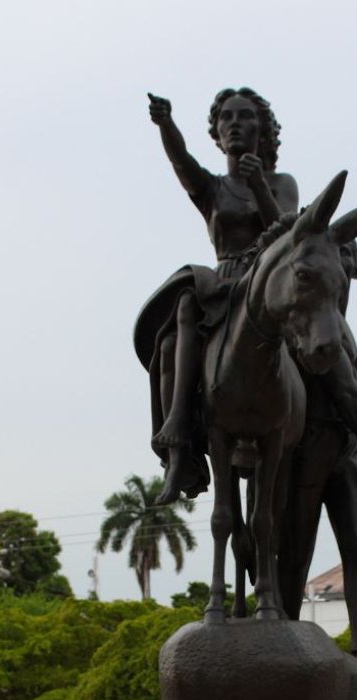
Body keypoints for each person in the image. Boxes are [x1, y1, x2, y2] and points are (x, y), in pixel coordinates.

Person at [139, 89, 299, 505]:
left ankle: (352, 439)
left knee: (328, 357)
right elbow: (181, 161)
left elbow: (287, 236)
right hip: (222, 286)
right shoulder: (212, 189)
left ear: (262, 130)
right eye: (226, 118)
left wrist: (259, 184)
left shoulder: (282, 184)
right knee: (175, 330)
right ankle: (178, 446)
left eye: (245, 117)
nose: (234, 124)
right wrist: (166, 125)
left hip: (265, 288)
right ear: (217, 131)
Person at [278, 239, 357, 661]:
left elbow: (352, 398)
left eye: (348, 256)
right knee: (295, 552)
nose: (341, 261)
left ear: (352, 272)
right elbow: (346, 393)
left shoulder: (344, 326)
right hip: (308, 446)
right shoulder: (304, 320)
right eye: (335, 252)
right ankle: (282, 644)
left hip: (348, 449)